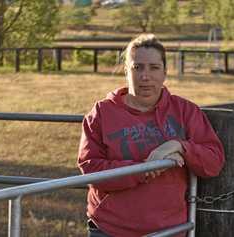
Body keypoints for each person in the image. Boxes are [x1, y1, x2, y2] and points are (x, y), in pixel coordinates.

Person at [77, 34, 225, 237]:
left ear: (165, 72)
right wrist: (145, 169)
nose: (145, 76)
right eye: (137, 67)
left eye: (154, 67)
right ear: (126, 71)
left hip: (170, 230)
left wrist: (179, 146)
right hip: (110, 229)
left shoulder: (185, 111)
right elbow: (91, 169)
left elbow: (213, 161)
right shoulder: (102, 113)